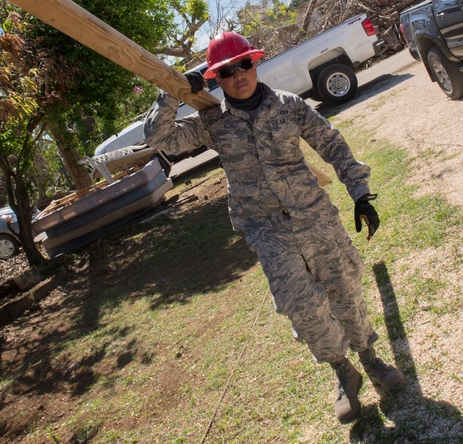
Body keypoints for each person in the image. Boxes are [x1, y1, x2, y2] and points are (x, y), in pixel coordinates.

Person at [143, 31, 405, 424]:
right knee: (300, 305)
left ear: (255, 63)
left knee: (344, 288)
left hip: (314, 217)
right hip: (267, 231)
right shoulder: (212, 123)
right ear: (216, 78)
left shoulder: (289, 106)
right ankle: (342, 372)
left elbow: (331, 144)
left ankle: (370, 360)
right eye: (227, 71)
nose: (238, 75)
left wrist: (361, 194)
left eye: (243, 65)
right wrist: (172, 94)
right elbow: (162, 138)